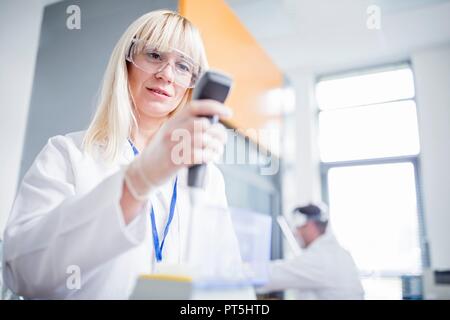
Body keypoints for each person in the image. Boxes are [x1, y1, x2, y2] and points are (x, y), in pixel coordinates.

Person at [2, 10, 243, 299]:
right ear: (126, 62)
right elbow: (22, 271)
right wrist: (137, 181)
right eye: (154, 55)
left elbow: (230, 284)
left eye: (182, 66)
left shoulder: (208, 177)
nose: (166, 74)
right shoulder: (67, 155)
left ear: (193, 83)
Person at [257, 203, 364, 299]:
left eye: (298, 228)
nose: (295, 233)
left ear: (310, 226)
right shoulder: (337, 253)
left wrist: (244, 270)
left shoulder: (322, 257)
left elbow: (271, 276)